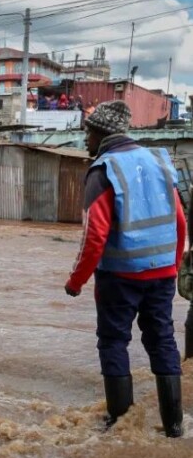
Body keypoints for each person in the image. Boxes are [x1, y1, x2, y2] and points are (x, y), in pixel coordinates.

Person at [65, 101, 185, 438]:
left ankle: (120, 426)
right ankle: (175, 426)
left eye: (87, 133)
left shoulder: (103, 170)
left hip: (119, 276)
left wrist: (76, 281)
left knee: (113, 342)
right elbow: (179, 221)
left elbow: (95, 236)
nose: (85, 141)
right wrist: (172, 267)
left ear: (100, 133)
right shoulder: (159, 161)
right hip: (161, 272)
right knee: (163, 341)